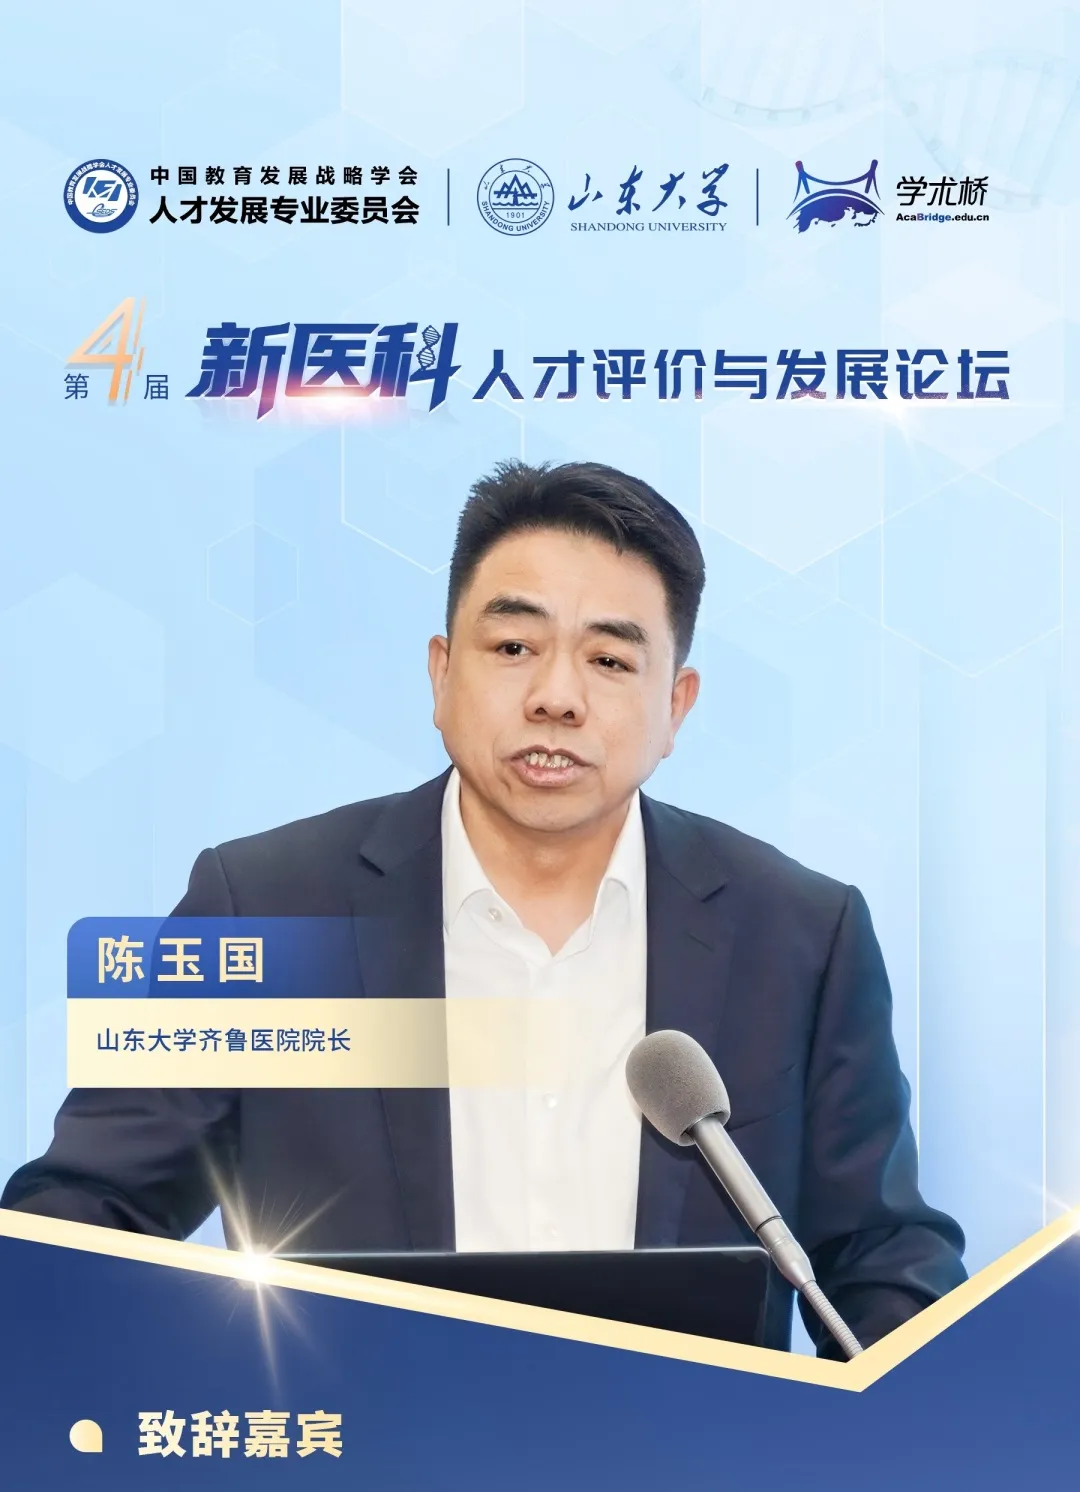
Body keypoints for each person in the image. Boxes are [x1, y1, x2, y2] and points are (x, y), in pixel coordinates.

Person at [2, 460, 965, 1356]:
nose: (556, 696)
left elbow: (883, 1259)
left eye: (610, 661)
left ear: (677, 705)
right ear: (441, 673)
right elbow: (88, 1212)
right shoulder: (261, 908)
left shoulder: (799, 935)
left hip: (693, 1451)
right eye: (513, 646)